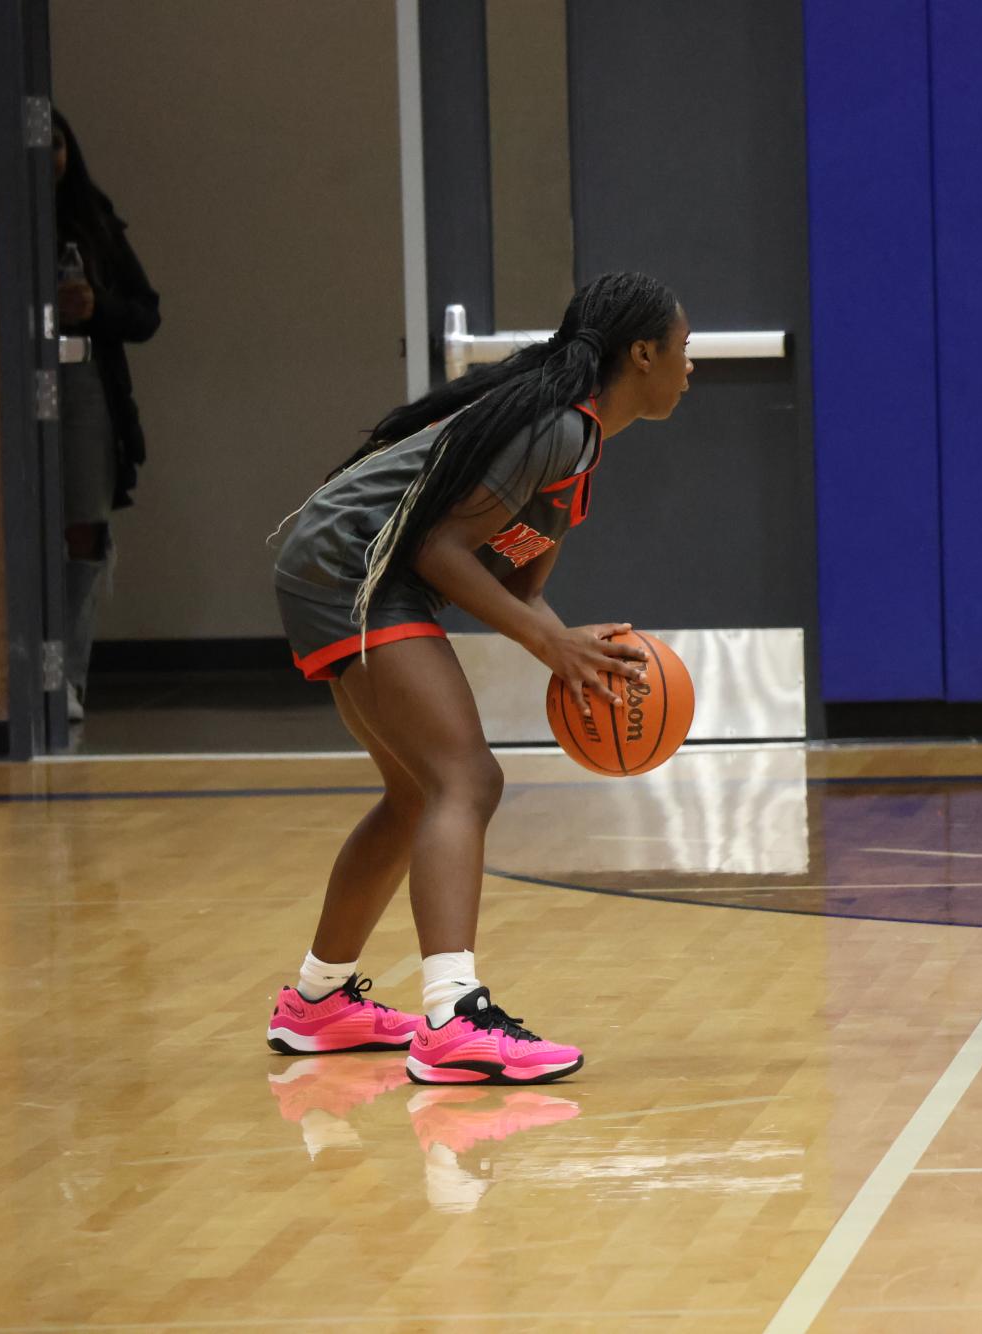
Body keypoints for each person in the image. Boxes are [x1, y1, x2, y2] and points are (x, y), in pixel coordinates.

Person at [264, 271, 694, 1082]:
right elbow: (438, 553)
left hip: (347, 566)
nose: (689, 366)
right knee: (466, 778)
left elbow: (516, 582)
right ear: (642, 354)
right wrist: (549, 646)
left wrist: (564, 638)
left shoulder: (578, 442)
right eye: (683, 349)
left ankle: (316, 1004)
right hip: (350, 568)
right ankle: (454, 1019)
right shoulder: (557, 428)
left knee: (420, 793)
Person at [51, 109, 160, 722]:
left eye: (59, 144)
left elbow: (145, 313)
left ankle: (65, 677)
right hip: (9, 390)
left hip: (84, 379)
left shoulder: (91, 216)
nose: (48, 158)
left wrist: (95, 307)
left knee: (82, 523)